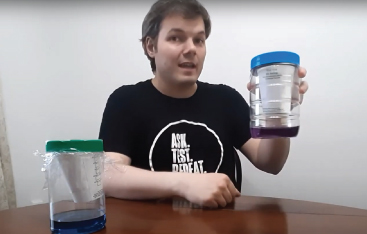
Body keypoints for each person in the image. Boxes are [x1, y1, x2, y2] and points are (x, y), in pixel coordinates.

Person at [98, 0, 309, 208]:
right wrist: (184, 183)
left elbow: (271, 163)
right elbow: (107, 176)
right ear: (151, 46)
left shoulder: (225, 99)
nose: (191, 49)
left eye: (199, 40)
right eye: (176, 38)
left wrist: (279, 112)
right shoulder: (125, 101)